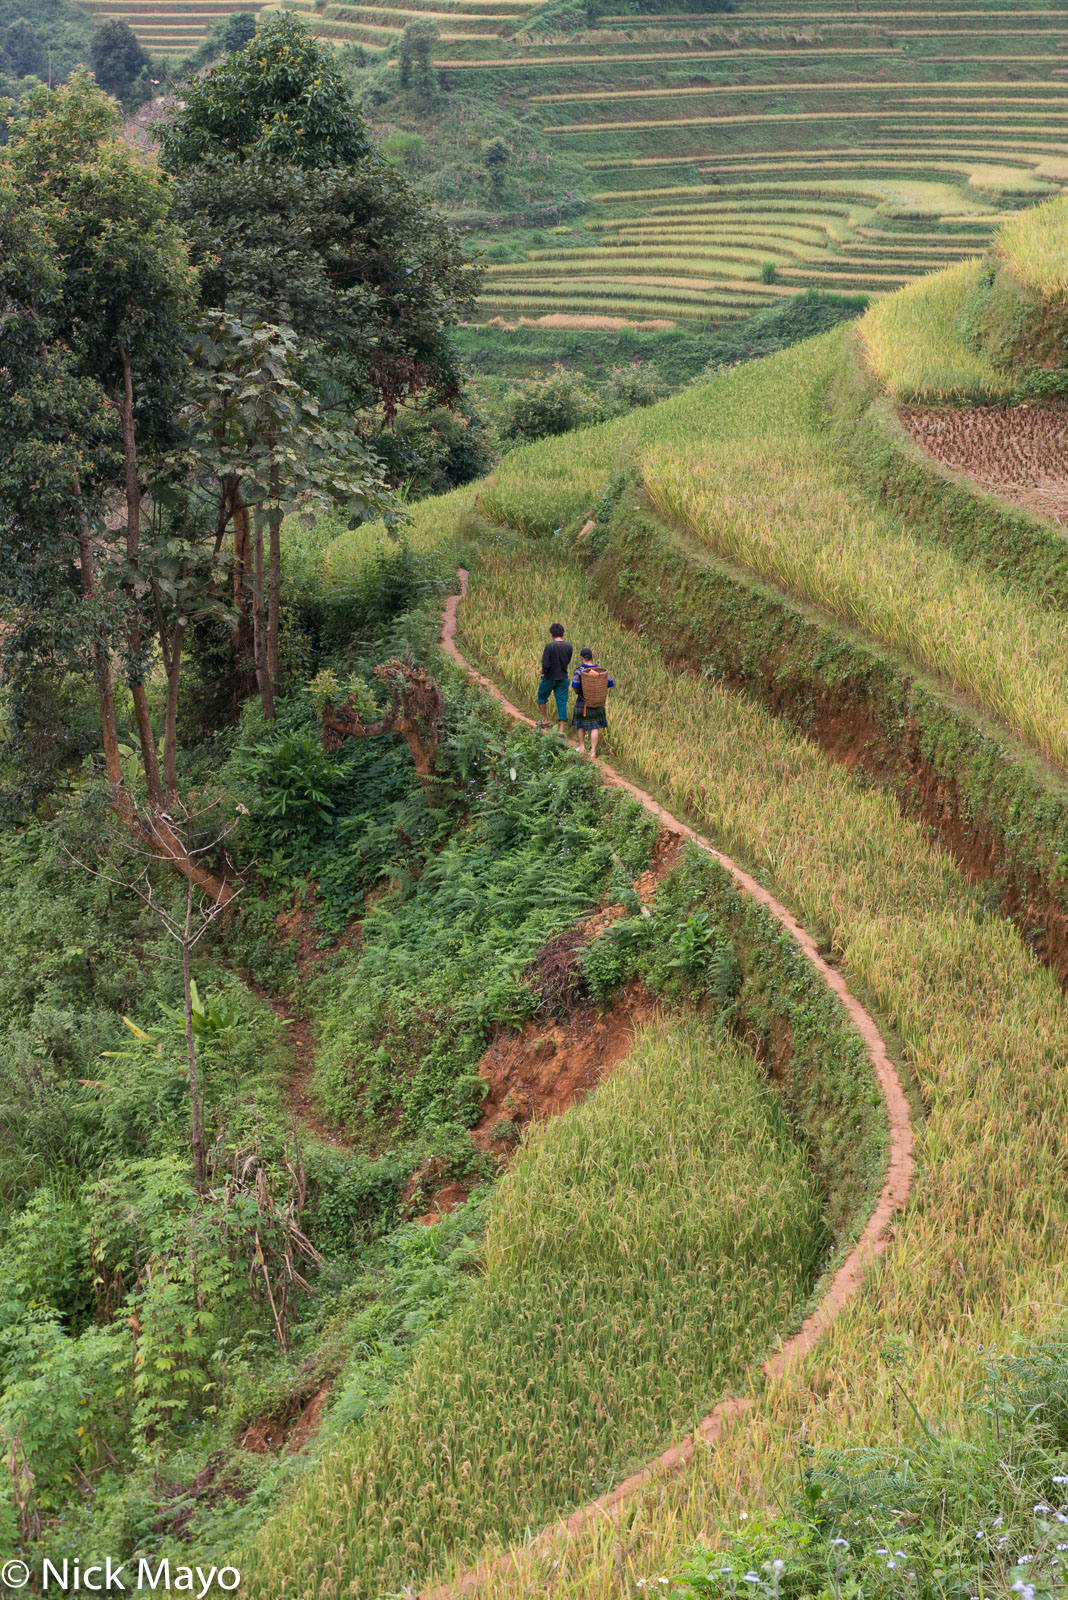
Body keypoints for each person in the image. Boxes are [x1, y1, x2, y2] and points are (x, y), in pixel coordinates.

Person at [571, 648, 613, 759]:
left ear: (581, 658)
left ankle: (582, 747)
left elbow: (575, 686)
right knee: (595, 726)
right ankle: (593, 751)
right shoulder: (600, 671)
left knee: (580, 724)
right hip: (598, 703)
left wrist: (580, 693)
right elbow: (610, 683)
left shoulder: (579, 671)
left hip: (583, 702)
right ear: (592, 658)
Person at [537, 621, 573, 734]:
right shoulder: (569, 646)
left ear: (552, 634)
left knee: (542, 697)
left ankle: (544, 720)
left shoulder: (549, 646)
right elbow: (567, 661)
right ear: (563, 633)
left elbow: (546, 664)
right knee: (562, 702)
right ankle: (561, 729)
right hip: (563, 678)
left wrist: (544, 672)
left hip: (549, 677)